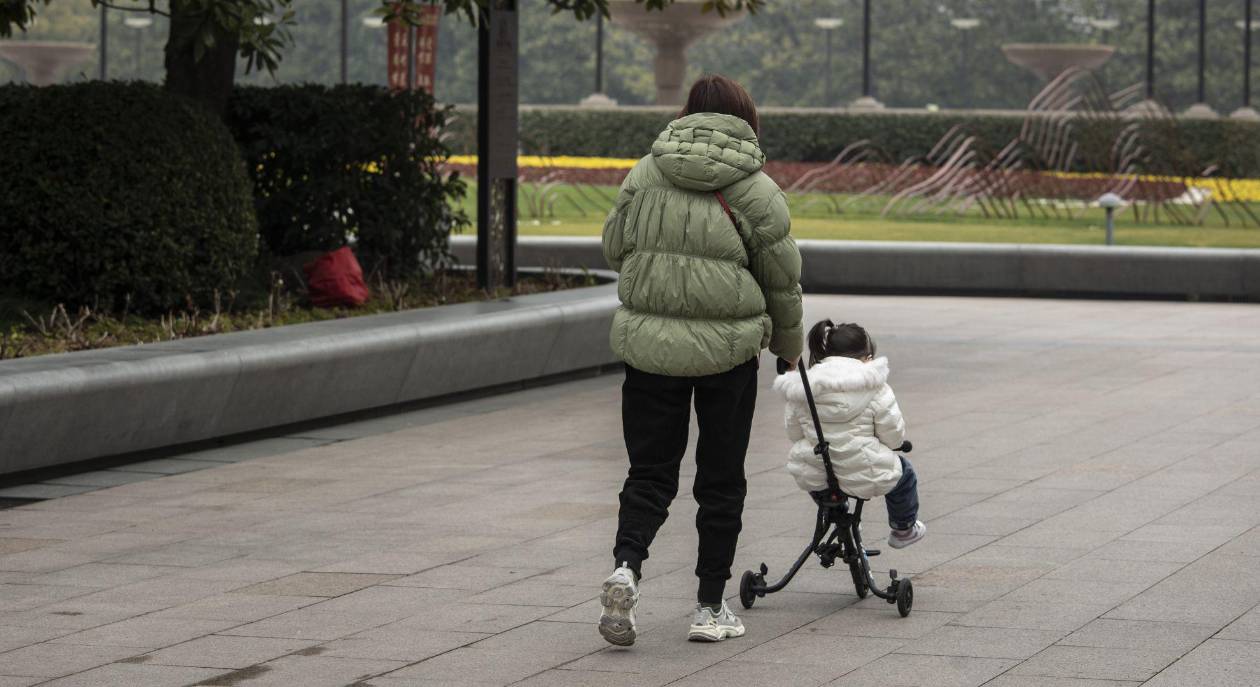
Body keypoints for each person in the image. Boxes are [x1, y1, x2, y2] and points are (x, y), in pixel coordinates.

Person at [597, 74, 803, 646]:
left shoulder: (645, 172)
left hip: (649, 349)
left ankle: (626, 567)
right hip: (727, 355)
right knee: (721, 479)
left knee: (649, 472)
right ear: (746, 117)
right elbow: (781, 281)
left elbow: (614, 248)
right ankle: (710, 607)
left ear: (687, 113)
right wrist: (789, 349)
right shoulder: (757, 189)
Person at [774, 320, 926, 549]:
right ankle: (903, 529)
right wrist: (892, 444)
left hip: (819, 470)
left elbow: (794, 433)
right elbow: (892, 434)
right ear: (867, 357)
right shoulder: (875, 386)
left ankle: (838, 516)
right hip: (865, 468)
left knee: (814, 475)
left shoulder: (802, 386)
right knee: (904, 474)